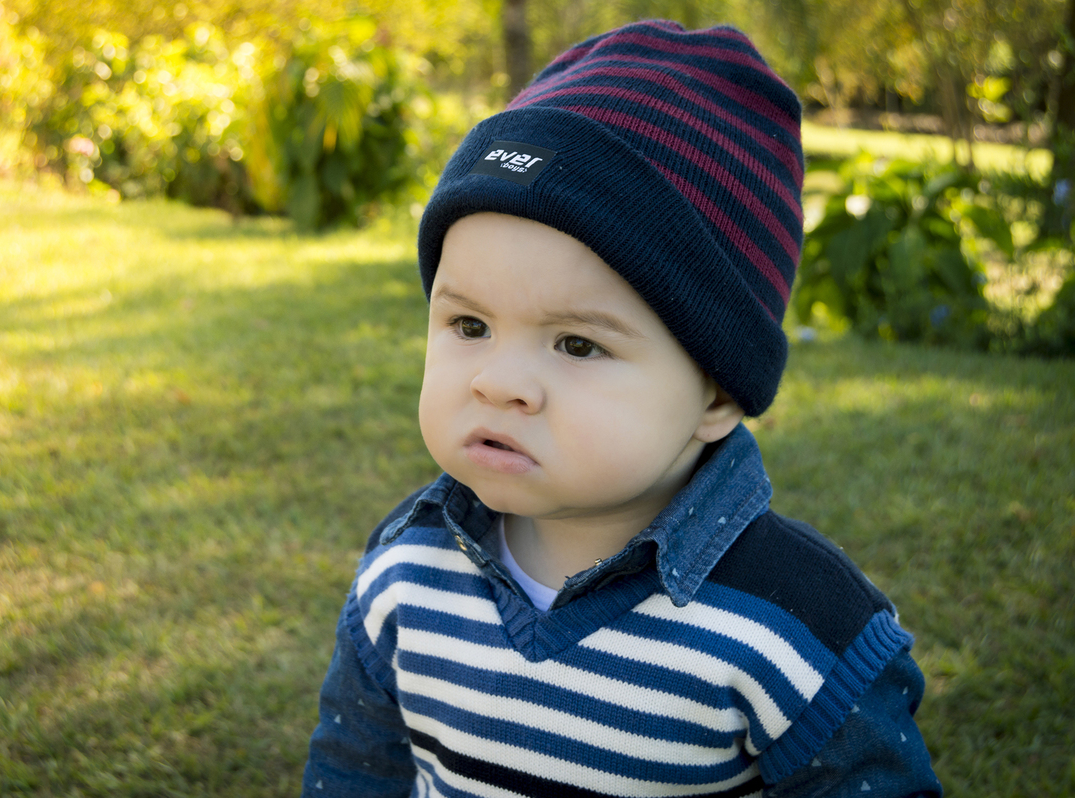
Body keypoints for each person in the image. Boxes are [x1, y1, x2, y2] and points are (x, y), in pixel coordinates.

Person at [301, 19, 942, 798]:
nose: (500, 383)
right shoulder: (407, 572)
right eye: (470, 326)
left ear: (716, 392)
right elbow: (355, 772)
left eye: (575, 345)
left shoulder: (796, 631)